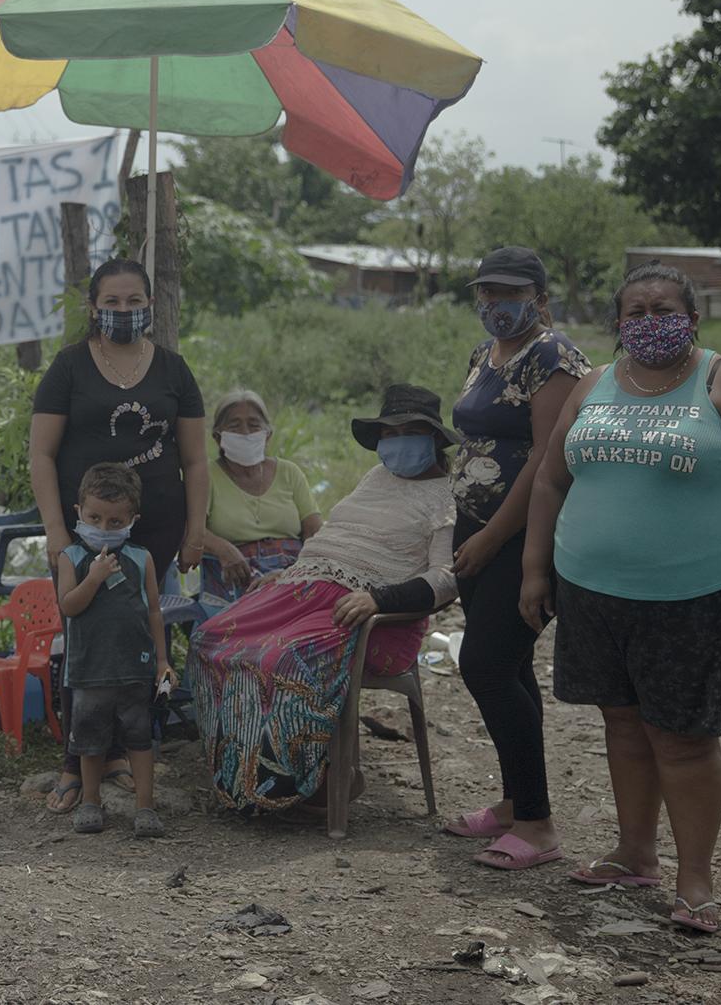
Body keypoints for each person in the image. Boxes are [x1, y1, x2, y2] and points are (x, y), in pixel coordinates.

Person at [522, 262, 721, 932]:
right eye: (636, 311)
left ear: (694, 318)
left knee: (683, 738)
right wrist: (536, 569)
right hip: (592, 590)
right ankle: (633, 850)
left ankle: (696, 882)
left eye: (664, 308)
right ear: (618, 324)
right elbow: (550, 479)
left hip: (695, 593)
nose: (651, 321)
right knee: (622, 722)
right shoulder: (594, 383)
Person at [191, 385, 458, 814]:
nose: (397, 441)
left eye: (410, 431)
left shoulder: (447, 496)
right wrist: (292, 571)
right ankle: (239, 776)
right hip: (304, 587)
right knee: (210, 638)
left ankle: (308, 780)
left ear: (435, 439)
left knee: (280, 660)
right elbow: (337, 537)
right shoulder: (376, 478)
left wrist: (379, 598)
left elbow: (447, 578)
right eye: (389, 433)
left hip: (369, 616)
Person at [29, 257, 208, 814]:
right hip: (81, 534)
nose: (124, 311)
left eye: (134, 302)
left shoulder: (175, 370)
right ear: (94, 307)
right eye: (112, 302)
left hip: (151, 532)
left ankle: (130, 752)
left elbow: (197, 462)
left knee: (139, 641)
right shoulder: (69, 367)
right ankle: (74, 761)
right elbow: (40, 454)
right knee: (81, 640)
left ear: (150, 306)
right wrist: (58, 531)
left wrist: (195, 528)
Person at [444, 246, 590, 871]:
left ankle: (538, 825)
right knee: (510, 666)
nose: (495, 305)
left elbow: (545, 457)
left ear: (539, 298)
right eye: (486, 293)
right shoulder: (486, 355)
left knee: (486, 666)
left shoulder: (553, 357)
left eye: (508, 294)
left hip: (523, 536)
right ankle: (514, 804)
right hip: (474, 528)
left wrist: (494, 537)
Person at [55, 463, 169, 837]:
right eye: (95, 518)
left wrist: (162, 661)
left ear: (133, 519)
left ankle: (145, 807)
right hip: (90, 668)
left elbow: (154, 610)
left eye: (116, 521)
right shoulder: (70, 557)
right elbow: (69, 606)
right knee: (88, 739)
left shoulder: (141, 558)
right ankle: (90, 801)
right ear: (79, 513)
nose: (104, 529)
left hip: (135, 667)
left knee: (139, 738)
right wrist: (94, 578)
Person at [198, 388, 323, 610]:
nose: (246, 432)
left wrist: (293, 573)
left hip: (292, 576)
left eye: (254, 425)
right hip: (236, 580)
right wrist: (224, 549)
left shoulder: (289, 472)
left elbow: (314, 532)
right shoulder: (207, 476)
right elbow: (192, 530)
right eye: (235, 426)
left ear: (267, 435)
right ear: (218, 437)